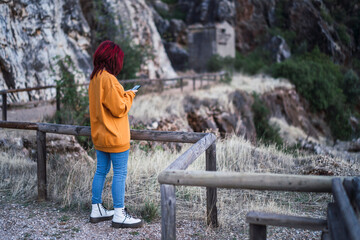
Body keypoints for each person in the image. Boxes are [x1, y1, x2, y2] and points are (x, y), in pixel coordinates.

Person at [88, 40, 143, 228]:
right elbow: (120, 108)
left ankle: (97, 209)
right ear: (114, 59)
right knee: (120, 173)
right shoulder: (109, 79)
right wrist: (130, 95)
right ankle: (119, 213)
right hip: (115, 137)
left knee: (101, 171)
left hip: (100, 136)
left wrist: (123, 93)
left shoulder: (95, 78)